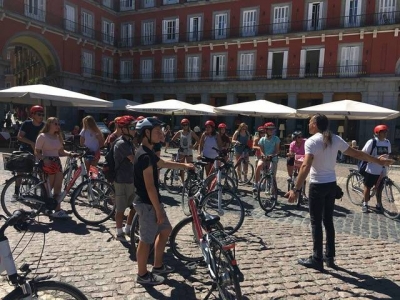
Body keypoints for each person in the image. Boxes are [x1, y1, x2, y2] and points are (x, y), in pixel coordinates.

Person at [286, 114, 394, 271]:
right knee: (328, 221)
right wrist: (378, 161)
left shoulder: (311, 141)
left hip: (317, 185)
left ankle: (317, 258)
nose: (308, 125)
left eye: (310, 122)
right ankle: (329, 257)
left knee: (316, 222)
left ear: (315, 124)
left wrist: (295, 189)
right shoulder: (335, 138)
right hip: (331, 184)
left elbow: (306, 166)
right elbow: (357, 154)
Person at [133, 117, 194, 285]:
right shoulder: (144, 156)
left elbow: (163, 162)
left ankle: (158, 266)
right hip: (147, 204)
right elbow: (150, 186)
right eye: (157, 132)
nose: (161, 134)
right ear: (146, 133)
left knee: (166, 229)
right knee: (146, 240)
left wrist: (184, 166)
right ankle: (142, 274)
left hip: (152, 203)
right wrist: (158, 210)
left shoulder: (148, 151)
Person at [35, 117, 75, 219]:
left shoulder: (58, 137)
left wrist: (70, 154)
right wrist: (44, 158)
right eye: (55, 124)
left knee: (58, 187)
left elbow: (61, 152)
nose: (58, 126)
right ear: (49, 124)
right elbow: (37, 151)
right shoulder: (42, 136)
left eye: (58, 124)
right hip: (47, 162)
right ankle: (46, 207)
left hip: (56, 162)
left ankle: (57, 209)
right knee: (49, 187)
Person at [113, 116, 137, 241]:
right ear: (124, 129)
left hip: (131, 179)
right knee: (121, 209)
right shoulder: (121, 143)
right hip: (121, 180)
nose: (135, 130)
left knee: (134, 207)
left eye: (135, 127)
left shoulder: (129, 142)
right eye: (132, 127)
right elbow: (133, 159)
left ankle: (128, 229)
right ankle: (119, 233)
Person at [361, 124, 391, 213]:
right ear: (378, 133)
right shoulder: (372, 142)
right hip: (372, 169)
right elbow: (364, 154)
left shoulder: (387, 142)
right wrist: (375, 159)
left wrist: (389, 161)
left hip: (382, 170)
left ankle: (378, 204)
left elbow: (388, 153)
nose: (385, 133)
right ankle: (365, 203)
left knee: (379, 188)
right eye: (383, 132)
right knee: (368, 187)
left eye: (386, 132)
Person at [253, 122, 280, 192]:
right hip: (264, 157)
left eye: (272, 129)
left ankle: (273, 193)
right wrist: (263, 155)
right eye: (269, 129)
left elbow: (277, 151)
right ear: (266, 130)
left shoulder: (276, 139)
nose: (271, 131)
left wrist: (272, 155)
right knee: (259, 166)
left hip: (273, 158)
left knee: (272, 175)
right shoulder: (262, 139)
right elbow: (261, 150)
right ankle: (256, 183)